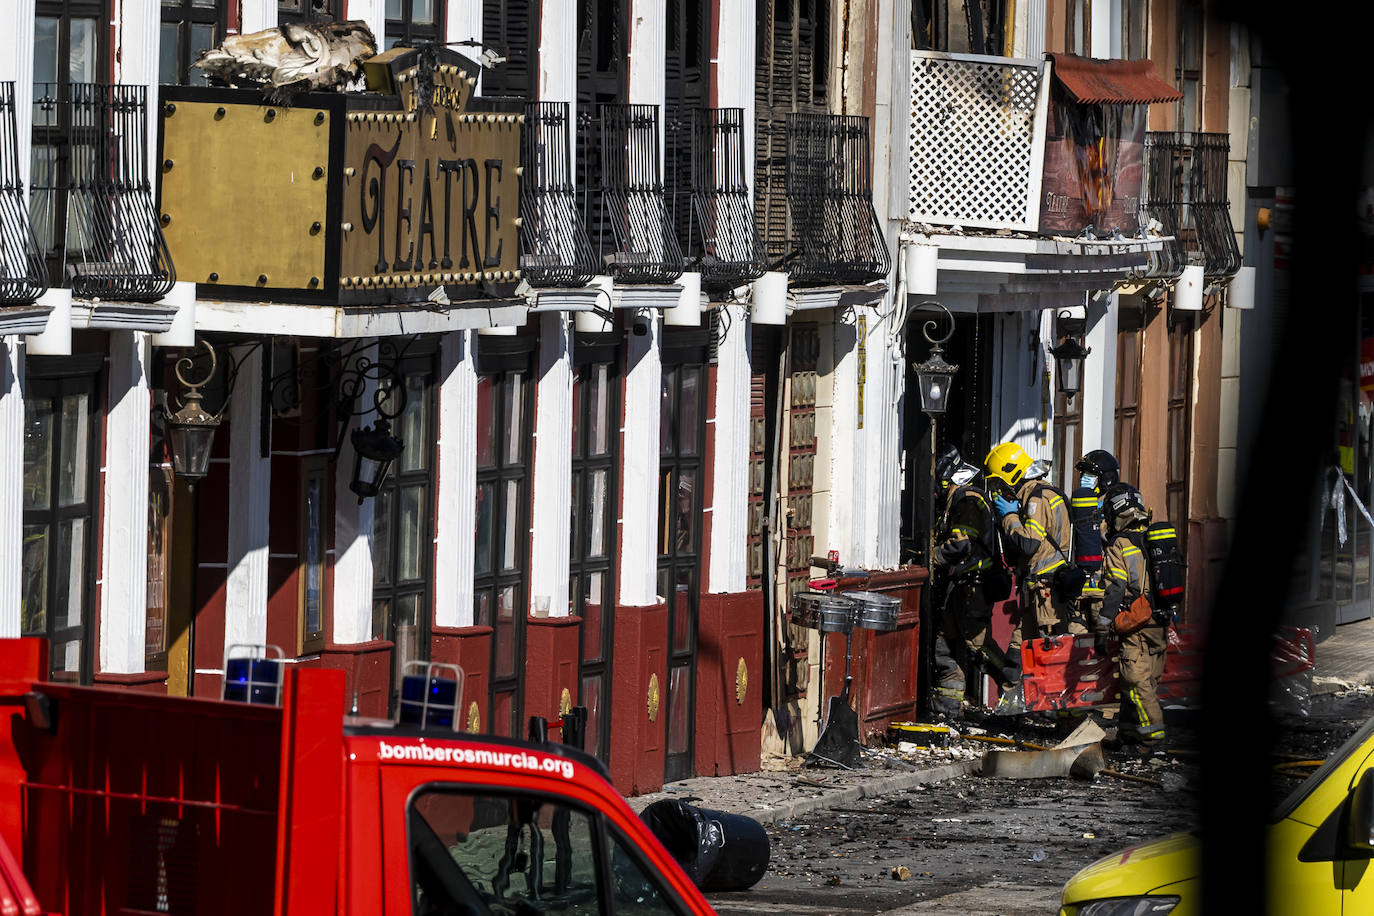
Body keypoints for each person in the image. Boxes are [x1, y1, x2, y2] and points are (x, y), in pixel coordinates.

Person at [930, 445, 1017, 715]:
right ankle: (948, 705)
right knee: (944, 645)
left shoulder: (967, 499)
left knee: (977, 647)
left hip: (973, 587)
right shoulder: (960, 500)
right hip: (960, 589)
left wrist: (931, 558)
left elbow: (960, 545)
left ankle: (1013, 685)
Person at [983, 443, 1081, 661]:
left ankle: (1044, 695)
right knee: (1021, 650)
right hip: (1037, 589)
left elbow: (1029, 543)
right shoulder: (1041, 492)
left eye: (1000, 481)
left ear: (1012, 474)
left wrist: (1009, 517)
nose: (1000, 487)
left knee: (1047, 652)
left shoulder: (1037, 498)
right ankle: (1014, 693)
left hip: (1046, 593)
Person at [1098, 483, 1168, 752]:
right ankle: (1128, 734)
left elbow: (1116, 588)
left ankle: (1153, 741)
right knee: (1142, 682)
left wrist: (1103, 626)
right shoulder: (1153, 537)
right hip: (1159, 624)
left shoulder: (1121, 544)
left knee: (1136, 684)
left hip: (1136, 624)